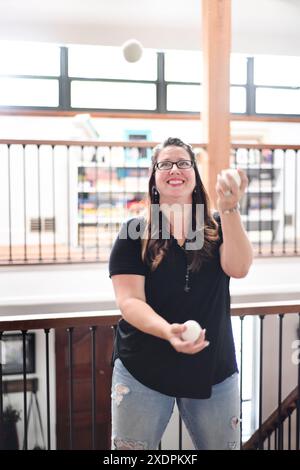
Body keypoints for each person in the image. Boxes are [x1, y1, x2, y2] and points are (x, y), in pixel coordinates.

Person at [108, 137, 253, 450]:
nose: (175, 168)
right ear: (155, 178)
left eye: (184, 162)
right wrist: (167, 331)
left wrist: (230, 209)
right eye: (165, 164)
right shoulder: (133, 233)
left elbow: (239, 268)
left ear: (195, 176)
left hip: (213, 366)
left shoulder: (218, 225)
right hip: (142, 367)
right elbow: (129, 301)